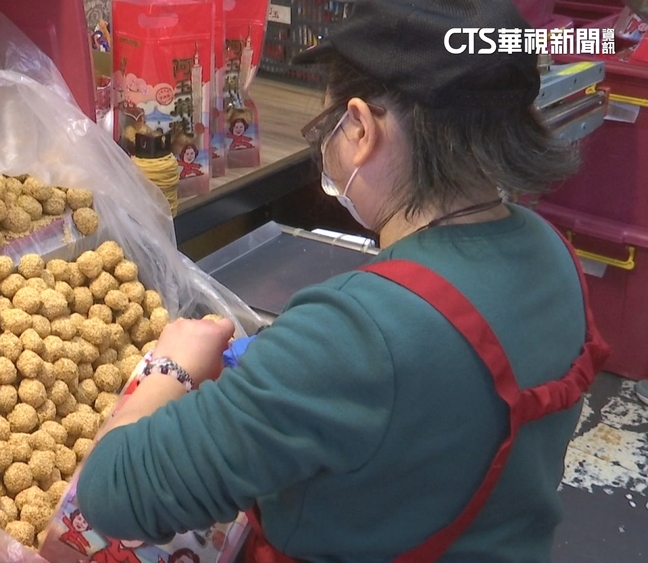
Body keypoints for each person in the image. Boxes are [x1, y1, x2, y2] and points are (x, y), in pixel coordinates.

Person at [76, 1, 611, 561]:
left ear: (359, 127)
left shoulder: (355, 334)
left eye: (324, 126)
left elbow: (113, 494)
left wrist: (170, 367)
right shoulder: (552, 253)